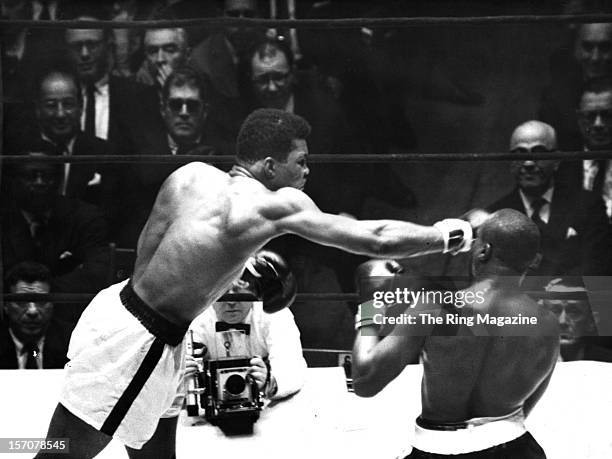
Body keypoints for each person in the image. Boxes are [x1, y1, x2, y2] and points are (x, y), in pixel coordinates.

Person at [38, 108, 481, 458]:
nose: (307, 173)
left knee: (155, 453)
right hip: (143, 342)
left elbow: (165, 254)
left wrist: (242, 264)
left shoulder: (188, 175)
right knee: (59, 452)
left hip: (125, 311)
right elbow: (375, 238)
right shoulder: (272, 207)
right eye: (300, 163)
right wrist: (451, 235)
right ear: (270, 166)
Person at [352, 209, 560, 458]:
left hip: (439, 450)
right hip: (517, 448)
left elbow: (365, 381)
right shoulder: (548, 324)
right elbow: (524, 408)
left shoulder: (436, 306)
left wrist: (370, 304)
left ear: (484, 251)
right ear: (533, 260)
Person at [487, 120, 612, 284]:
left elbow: (597, 273)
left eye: (539, 153)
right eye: (520, 154)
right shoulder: (495, 216)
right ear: (511, 163)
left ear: (557, 160)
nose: (529, 163)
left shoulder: (588, 205)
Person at [1, 150, 111, 325]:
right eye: (30, 176)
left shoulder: (86, 217)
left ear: (59, 181)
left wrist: (37, 292)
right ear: (13, 180)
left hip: (69, 321)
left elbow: (97, 275)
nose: (39, 183)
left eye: (47, 176)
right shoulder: (4, 217)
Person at [117, 66, 217, 247]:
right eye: (176, 104)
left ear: (205, 111)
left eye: (192, 105)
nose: (184, 112)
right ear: (163, 109)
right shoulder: (141, 159)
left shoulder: (221, 155)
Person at [185, 251, 307, 400]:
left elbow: (291, 365)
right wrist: (179, 376)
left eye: (238, 291)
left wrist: (269, 382)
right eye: (222, 294)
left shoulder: (274, 314)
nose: (231, 302)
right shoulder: (196, 318)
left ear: (254, 291)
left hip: (263, 404)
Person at [539, 22, 612, 150]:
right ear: (576, 49)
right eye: (587, 47)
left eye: (605, 48)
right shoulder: (554, 101)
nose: (595, 58)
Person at [0, 261, 72, 369]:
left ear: (52, 304)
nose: (32, 311)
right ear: (6, 305)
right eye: (21, 301)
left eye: (41, 301)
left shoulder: (73, 341)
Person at [542, 277, 612, 362]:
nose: (562, 321)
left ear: (591, 321)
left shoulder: (607, 363)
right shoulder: (526, 361)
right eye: (555, 311)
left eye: (574, 312)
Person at [134, 27, 191, 94]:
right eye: (153, 51)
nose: (160, 59)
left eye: (170, 50)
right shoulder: (133, 97)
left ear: (187, 55)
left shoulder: (205, 90)